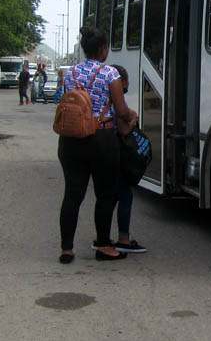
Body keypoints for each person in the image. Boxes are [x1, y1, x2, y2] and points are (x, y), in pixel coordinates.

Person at [57, 26, 137, 264]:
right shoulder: (110, 74)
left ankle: (67, 249)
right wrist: (130, 116)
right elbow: (120, 110)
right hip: (101, 139)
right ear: (103, 48)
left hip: (71, 139)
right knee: (105, 195)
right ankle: (103, 246)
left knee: (72, 195)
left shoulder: (70, 73)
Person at [103, 64, 147, 254]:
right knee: (125, 195)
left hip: (99, 150)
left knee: (109, 196)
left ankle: (102, 238)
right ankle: (123, 239)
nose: (128, 84)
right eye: (126, 80)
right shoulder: (116, 101)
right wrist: (134, 119)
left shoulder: (101, 97)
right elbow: (123, 130)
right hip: (114, 153)